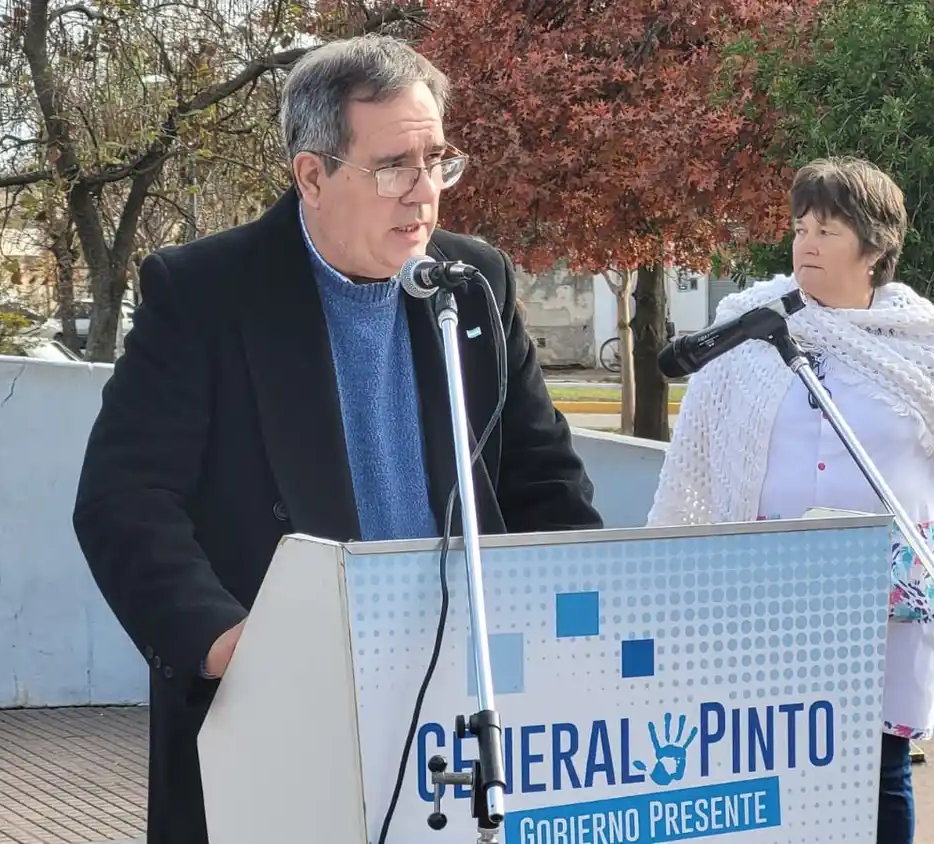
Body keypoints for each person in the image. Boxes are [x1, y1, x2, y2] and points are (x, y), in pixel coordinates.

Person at [72, 34, 604, 844]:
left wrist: (584, 633)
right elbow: (124, 498)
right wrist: (225, 642)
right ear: (312, 176)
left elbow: (546, 486)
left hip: (467, 713)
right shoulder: (206, 293)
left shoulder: (474, 283)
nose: (423, 193)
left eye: (438, 161)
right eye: (394, 166)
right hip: (285, 721)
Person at [645, 156, 934, 844]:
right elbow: (704, 444)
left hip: (885, 591)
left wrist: (914, 539)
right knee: (769, 762)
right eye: (800, 226)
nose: (807, 243)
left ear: (875, 248)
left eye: (829, 230)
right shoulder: (747, 323)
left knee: (881, 769)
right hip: (771, 588)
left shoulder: (931, 342)